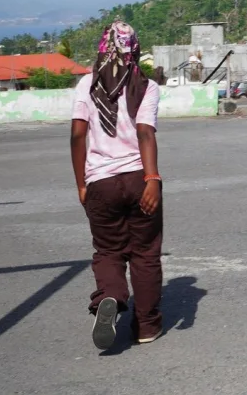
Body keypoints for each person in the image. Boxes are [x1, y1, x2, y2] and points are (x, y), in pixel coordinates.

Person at [70, 21, 164, 350]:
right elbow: (145, 133)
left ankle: (109, 296)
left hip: (100, 182)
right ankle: (146, 326)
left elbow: (78, 135)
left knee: (109, 251)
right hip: (139, 179)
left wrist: (82, 184)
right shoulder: (145, 86)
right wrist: (152, 179)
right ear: (134, 49)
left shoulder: (86, 84)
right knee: (145, 254)